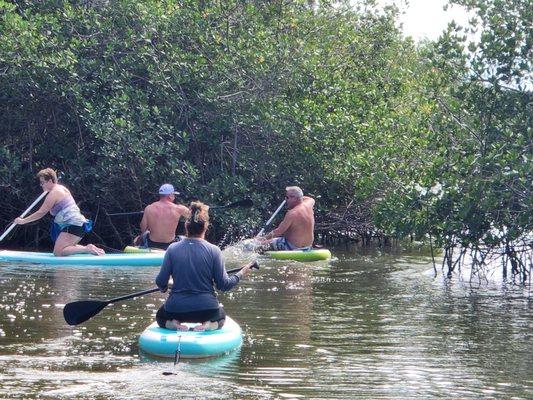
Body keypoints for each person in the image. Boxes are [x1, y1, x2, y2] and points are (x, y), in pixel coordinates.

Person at [155, 201, 255, 331]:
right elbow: (223, 285)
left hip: (176, 309)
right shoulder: (214, 250)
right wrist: (241, 273)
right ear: (206, 226)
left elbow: (160, 281)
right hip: (207, 310)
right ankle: (208, 324)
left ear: (186, 225)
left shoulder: (172, 249)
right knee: (221, 317)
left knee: (160, 317)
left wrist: (164, 287)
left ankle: (174, 323)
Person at [13, 168, 105, 256]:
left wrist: (23, 221)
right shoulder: (61, 188)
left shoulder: (54, 193)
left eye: (42, 182)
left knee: (58, 252)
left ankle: (87, 249)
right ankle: (88, 248)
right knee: (65, 248)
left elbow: (41, 213)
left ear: (50, 181)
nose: (41, 185)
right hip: (77, 225)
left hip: (73, 225)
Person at [257, 186, 315, 250]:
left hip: (292, 247)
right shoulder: (308, 204)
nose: (286, 200)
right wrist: (299, 197)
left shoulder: (292, 213)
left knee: (259, 245)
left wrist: (261, 239)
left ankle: (252, 245)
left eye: (287, 197)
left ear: (295, 198)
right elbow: (311, 199)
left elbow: (278, 232)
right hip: (307, 247)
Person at [133, 183, 189, 250]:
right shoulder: (178, 209)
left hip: (152, 243)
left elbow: (143, 228)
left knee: (138, 238)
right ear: (170, 195)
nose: (174, 196)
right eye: (174, 194)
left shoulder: (149, 208)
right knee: (184, 238)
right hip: (170, 244)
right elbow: (195, 218)